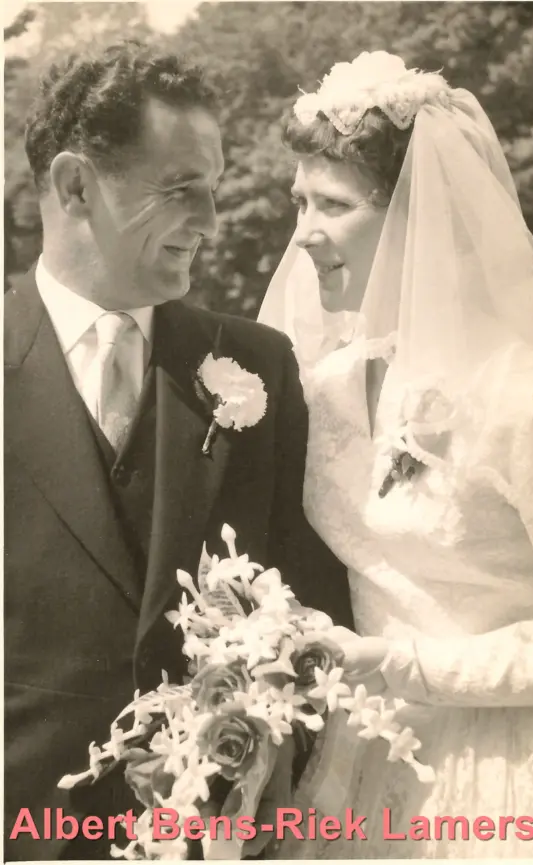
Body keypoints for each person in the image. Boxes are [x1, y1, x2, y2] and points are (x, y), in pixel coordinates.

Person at [4, 40, 354, 862]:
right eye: (179, 189)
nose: (210, 222)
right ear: (75, 185)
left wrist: (264, 771)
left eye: (214, 189)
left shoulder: (260, 366)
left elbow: (315, 606)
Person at [259, 50, 533, 858]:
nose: (303, 235)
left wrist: (406, 664)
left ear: (419, 220)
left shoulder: (526, 398)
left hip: (503, 768)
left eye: (333, 205)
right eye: (299, 203)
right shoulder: (324, 385)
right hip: (357, 764)